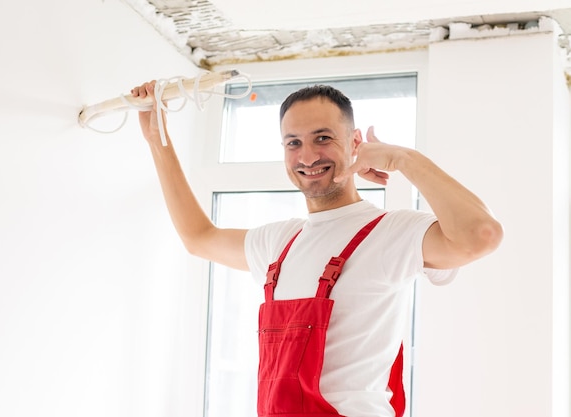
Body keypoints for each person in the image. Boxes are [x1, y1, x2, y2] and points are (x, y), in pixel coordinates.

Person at [131, 81, 503, 417]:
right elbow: (198, 237)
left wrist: (403, 159)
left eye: (322, 138)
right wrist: (156, 138)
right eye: (293, 142)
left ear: (355, 142)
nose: (307, 156)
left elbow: (481, 234)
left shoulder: (392, 234)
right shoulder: (279, 244)